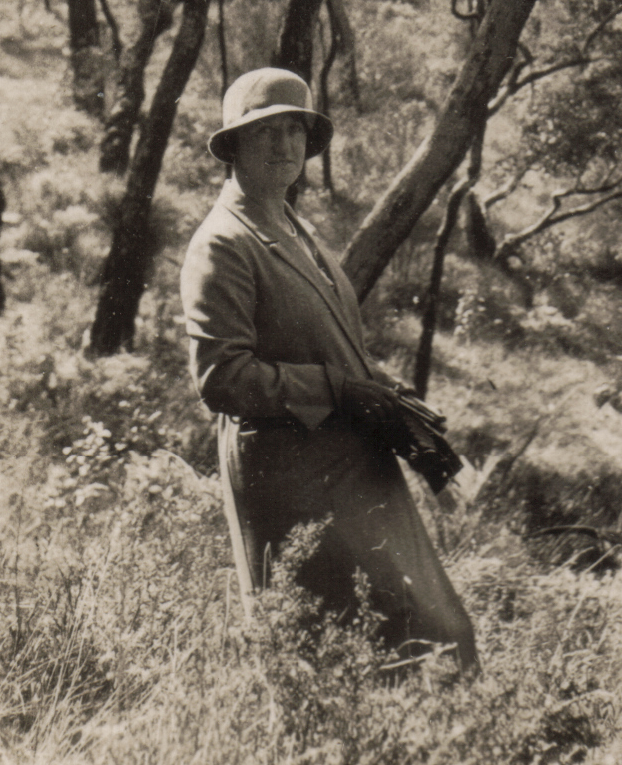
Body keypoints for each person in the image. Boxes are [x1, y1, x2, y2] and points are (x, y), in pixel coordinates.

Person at [180, 67, 477, 669]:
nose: (285, 145)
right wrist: (340, 390)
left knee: (434, 632)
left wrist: (383, 391)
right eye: (266, 131)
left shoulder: (296, 228)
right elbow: (222, 378)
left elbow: (327, 343)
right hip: (292, 482)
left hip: (352, 463)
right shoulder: (221, 243)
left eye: (295, 130)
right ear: (233, 144)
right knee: (331, 652)